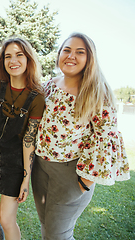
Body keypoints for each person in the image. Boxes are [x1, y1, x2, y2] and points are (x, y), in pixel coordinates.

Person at [32, 32, 130, 240]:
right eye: (66, 50)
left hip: (70, 174)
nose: (71, 56)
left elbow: (106, 138)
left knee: (58, 235)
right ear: (59, 55)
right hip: (40, 169)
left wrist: (85, 180)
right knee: (47, 228)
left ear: (89, 59)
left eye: (80, 52)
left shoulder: (96, 91)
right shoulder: (50, 85)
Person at [0, 38, 45, 240]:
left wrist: (26, 179)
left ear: (28, 59)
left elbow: (29, 140)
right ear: (2, 61)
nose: (13, 60)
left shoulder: (37, 97)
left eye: (19, 55)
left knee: (7, 220)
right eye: (8, 56)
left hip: (14, 166)